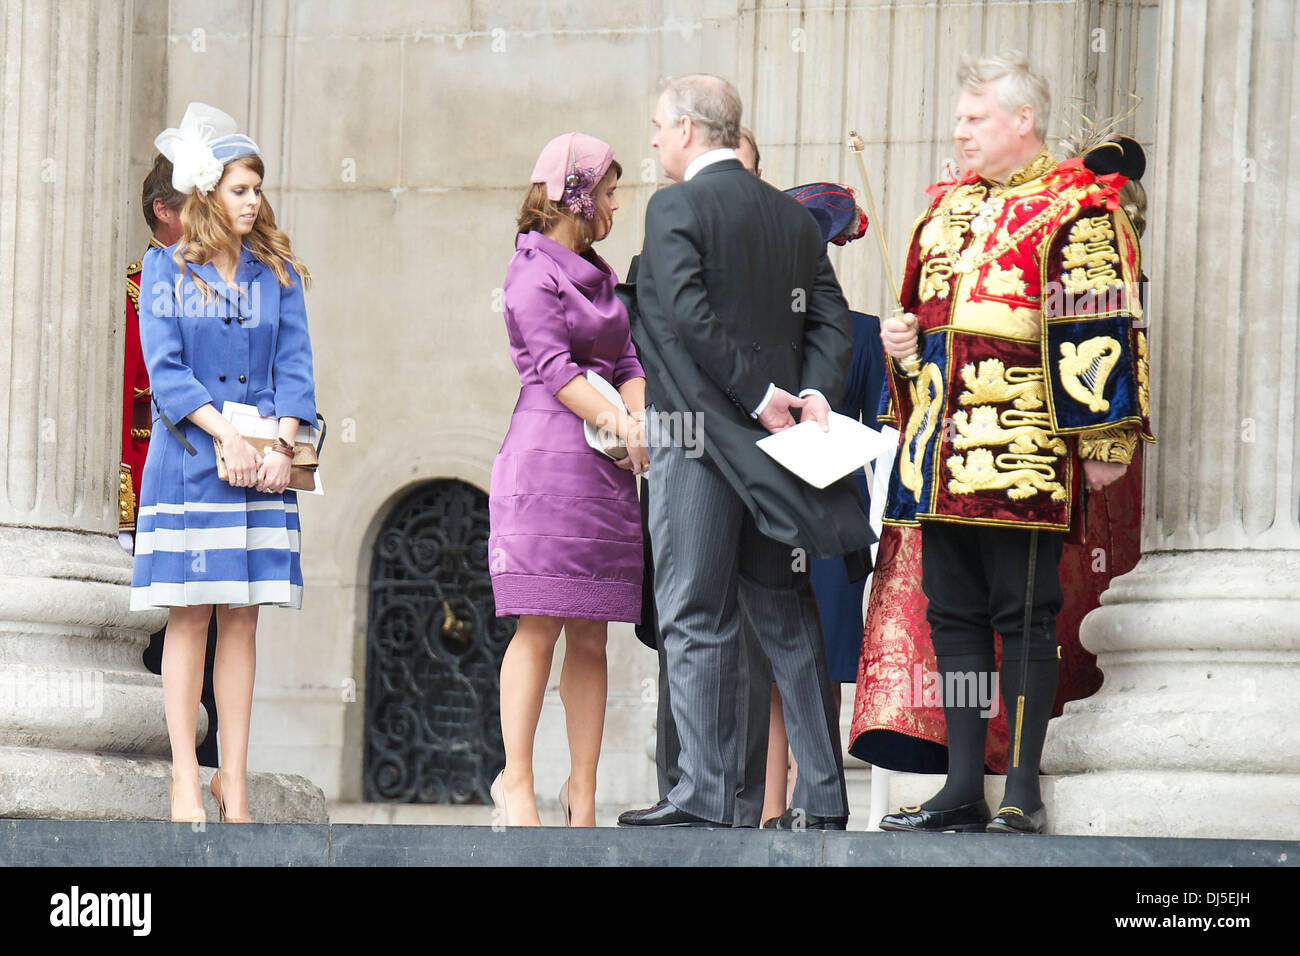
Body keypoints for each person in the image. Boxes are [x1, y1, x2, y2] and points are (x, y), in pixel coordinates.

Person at [875, 52, 1151, 835]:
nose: (959, 132)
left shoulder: (1077, 209)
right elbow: (928, 331)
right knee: (953, 618)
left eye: (974, 118)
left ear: (1021, 121)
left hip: (1024, 451)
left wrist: (1106, 434)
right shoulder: (944, 213)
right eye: (959, 119)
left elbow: (1098, 322)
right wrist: (901, 343)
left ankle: (1021, 784)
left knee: (1025, 615)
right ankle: (964, 783)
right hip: (938, 453)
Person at [618, 74, 872, 830]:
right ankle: (823, 797)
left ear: (692, 130)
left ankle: (705, 793)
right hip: (781, 449)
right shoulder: (791, 219)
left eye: (661, 126)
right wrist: (815, 395)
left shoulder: (675, 206)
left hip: (699, 441)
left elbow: (687, 315)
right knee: (785, 613)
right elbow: (832, 321)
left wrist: (760, 394)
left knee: (694, 611)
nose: (656, 139)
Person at [133, 102, 317, 825]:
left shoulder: (278, 273)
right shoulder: (164, 269)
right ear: (207, 192)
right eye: (241, 189)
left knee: (244, 618)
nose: (254, 201)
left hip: (265, 464)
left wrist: (281, 442)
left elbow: (297, 367)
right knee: (191, 615)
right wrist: (225, 437)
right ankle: (186, 775)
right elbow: (168, 372)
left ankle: (231, 780)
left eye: (258, 188)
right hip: (191, 463)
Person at [487, 132, 647, 828]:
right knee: (540, 621)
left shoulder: (602, 276)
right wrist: (623, 425)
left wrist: (634, 422)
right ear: (577, 197)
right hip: (548, 464)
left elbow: (631, 363)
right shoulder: (531, 272)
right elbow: (553, 371)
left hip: (605, 471)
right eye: (609, 192)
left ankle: (581, 791)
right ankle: (515, 781)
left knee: (592, 632)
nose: (615, 204)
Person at [623, 129, 775, 828]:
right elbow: (647, 353)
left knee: (748, 630)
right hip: (687, 453)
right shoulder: (659, 250)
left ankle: (734, 799)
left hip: (763, 460)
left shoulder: (779, 248)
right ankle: (683, 785)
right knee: (685, 621)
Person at [761, 182, 883, 826]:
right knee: (774, 660)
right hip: (773, 503)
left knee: (819, 660)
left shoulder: (860, 334)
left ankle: (815, 792)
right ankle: (772, 800)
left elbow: (882, 429)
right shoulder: (760, 332)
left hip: (833, 508)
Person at [127, 153, 223, 772]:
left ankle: (211, 765)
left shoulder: (239, 278)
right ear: (165, 211)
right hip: (148, 482)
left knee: (221, 625)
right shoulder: (143, 283)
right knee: (165, 633)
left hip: (217, 468)